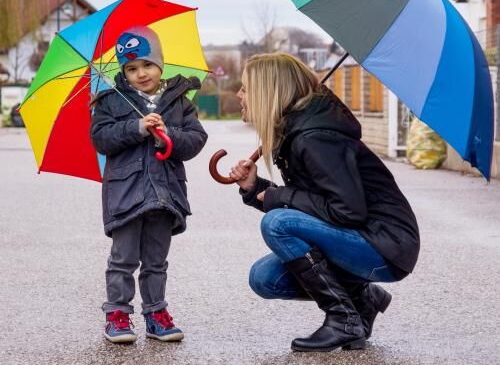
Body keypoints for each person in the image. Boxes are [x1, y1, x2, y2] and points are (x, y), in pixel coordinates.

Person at [229, 53, 419, 352]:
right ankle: (362, 300)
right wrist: (256, 189)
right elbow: (316, 206)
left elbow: (347, 211)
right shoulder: (296, 132)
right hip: (362, 240)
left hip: (386, 244)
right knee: (264, 279)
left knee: (277, 223)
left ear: (268, 90)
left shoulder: (316, 136)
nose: (239, 95)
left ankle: (343, 320)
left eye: (245, 88)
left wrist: (278, 197)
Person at [91, 26, 207, 343]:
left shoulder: (179, 101)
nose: (141, 73)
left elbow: (196, 139)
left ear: (160, 64)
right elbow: (101, 138)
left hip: (165, 193)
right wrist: (137, 127)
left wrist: (169, 135)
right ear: (123, 71)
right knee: (123, 258)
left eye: (147, 64)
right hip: (126, 193)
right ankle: (117, 314)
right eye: (131, 68)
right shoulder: (110, 102)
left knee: (156, 260)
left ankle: (156, 314)